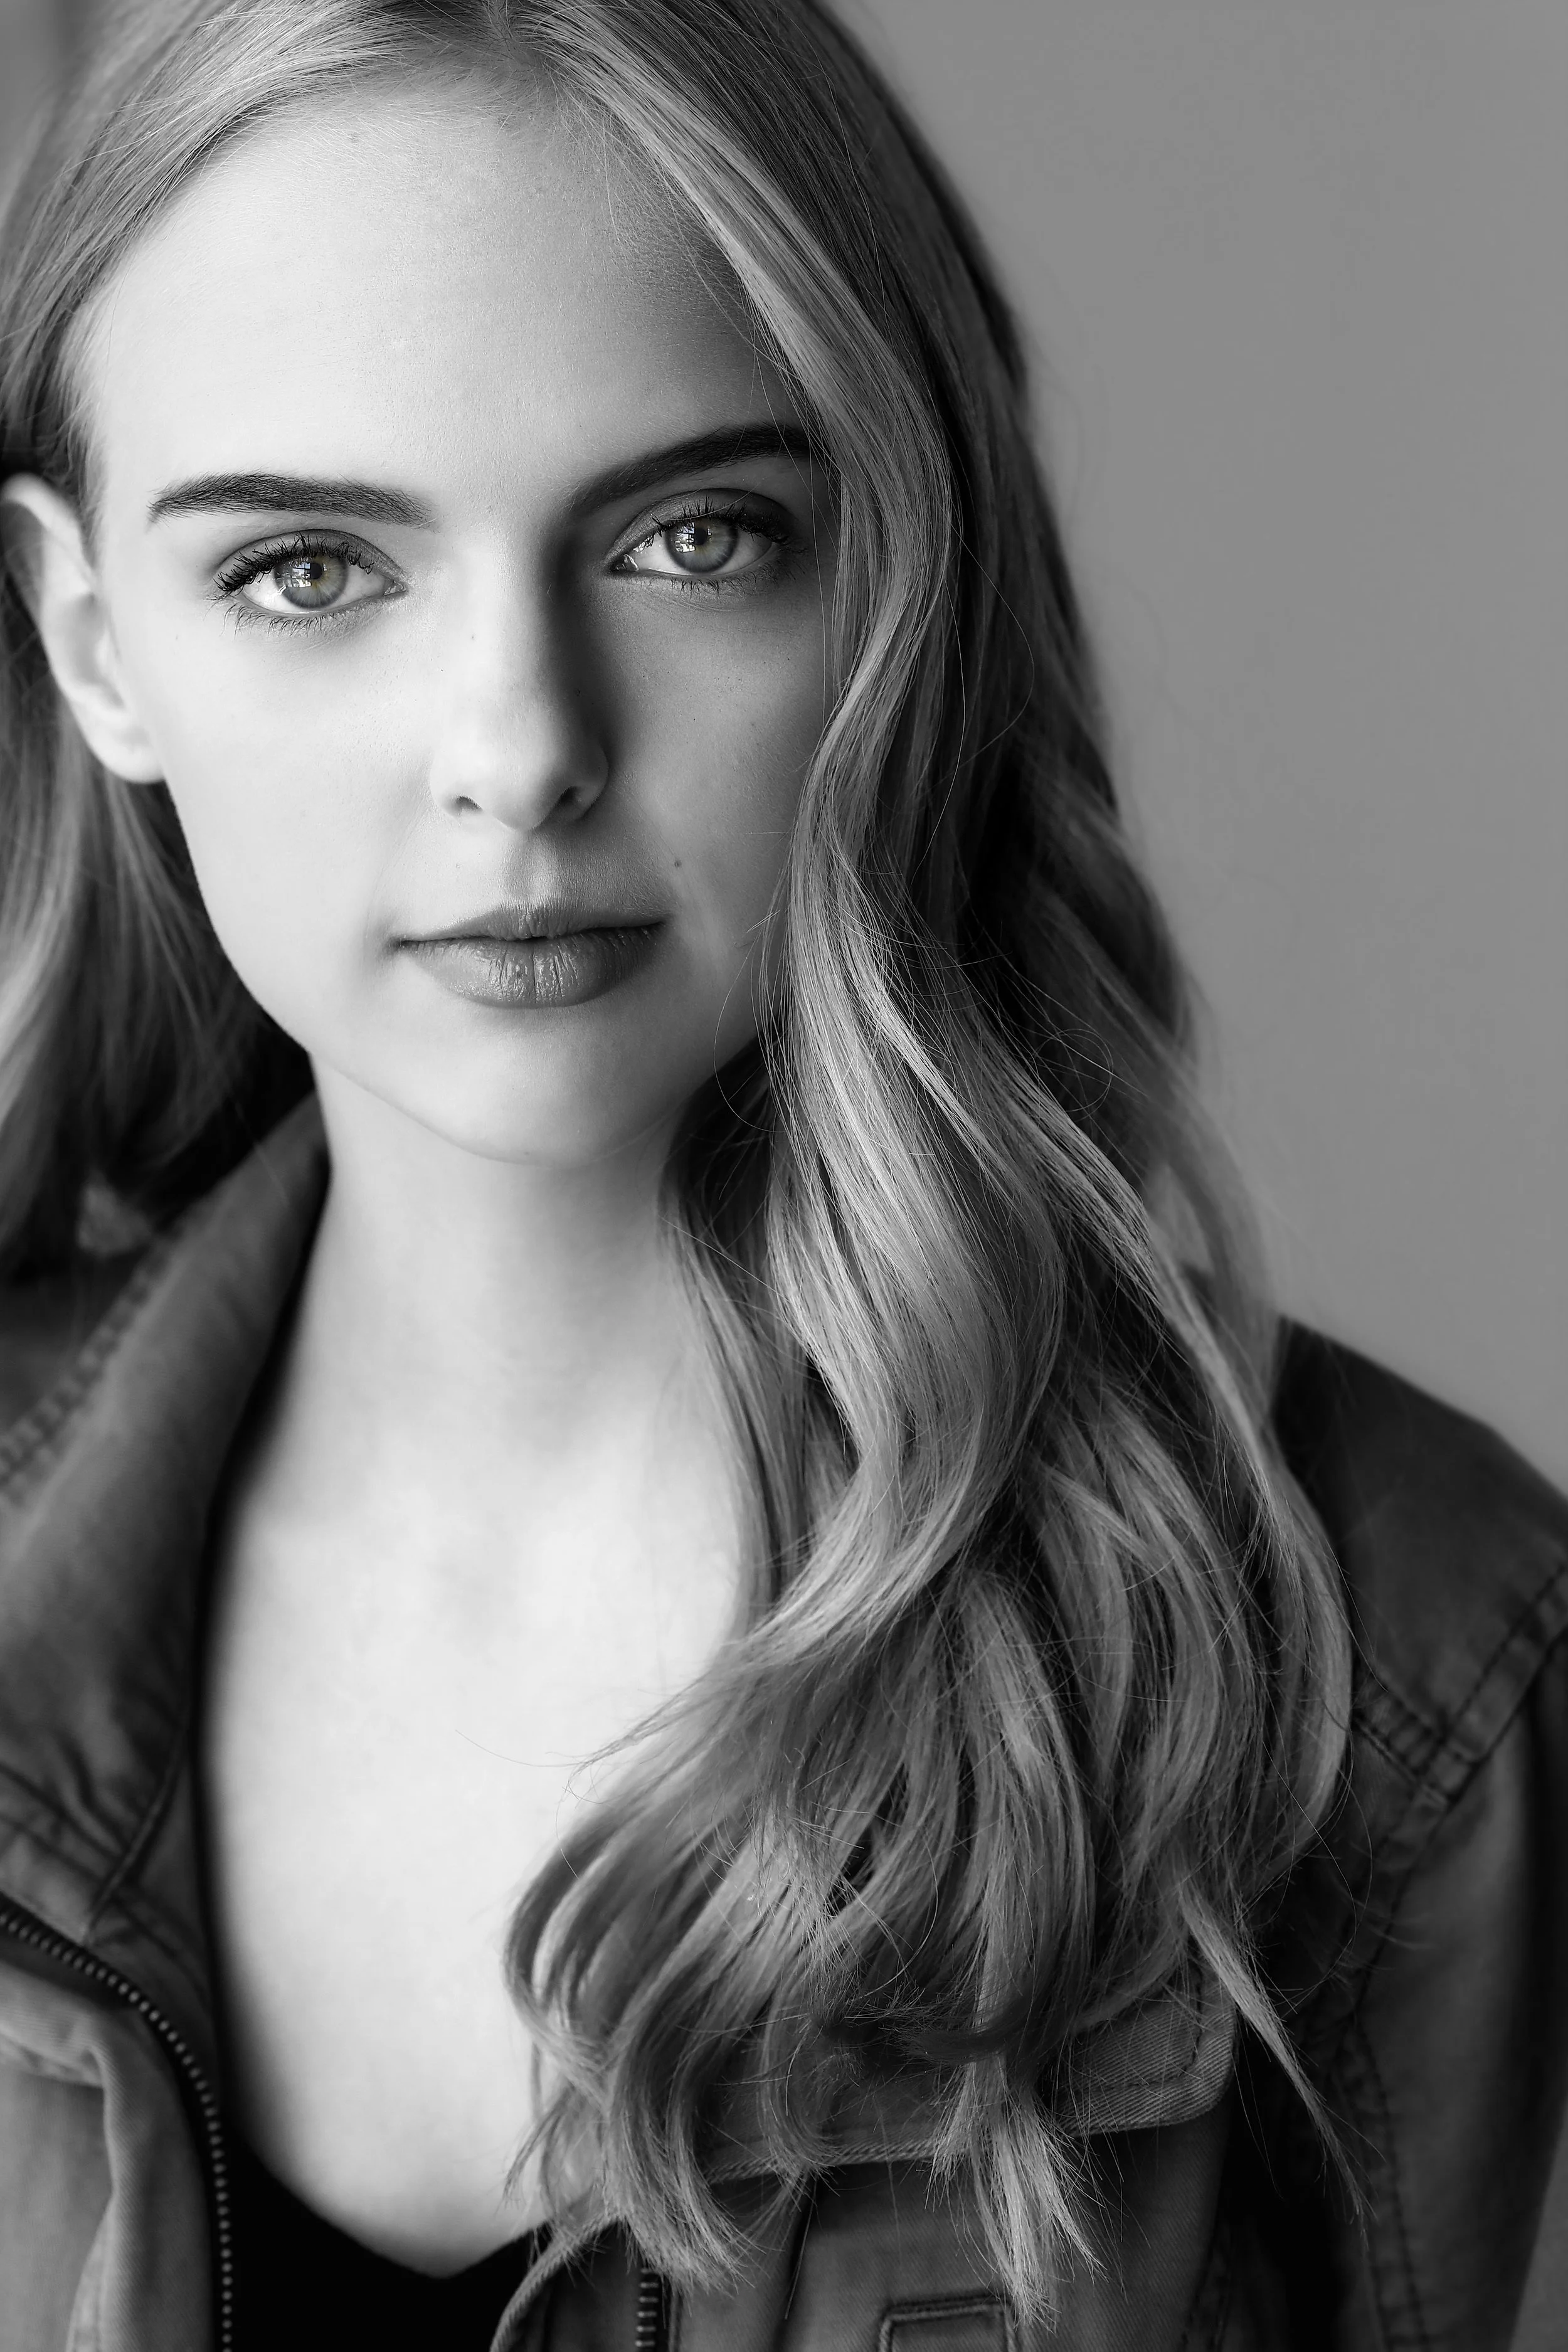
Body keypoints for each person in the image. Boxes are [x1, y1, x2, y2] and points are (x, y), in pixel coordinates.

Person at [0, 1, 1562, 2346]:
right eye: (312, 570)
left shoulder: (1406, 1659)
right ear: (96, 643)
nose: (518, 751)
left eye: (693, 534)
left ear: (895, 594)